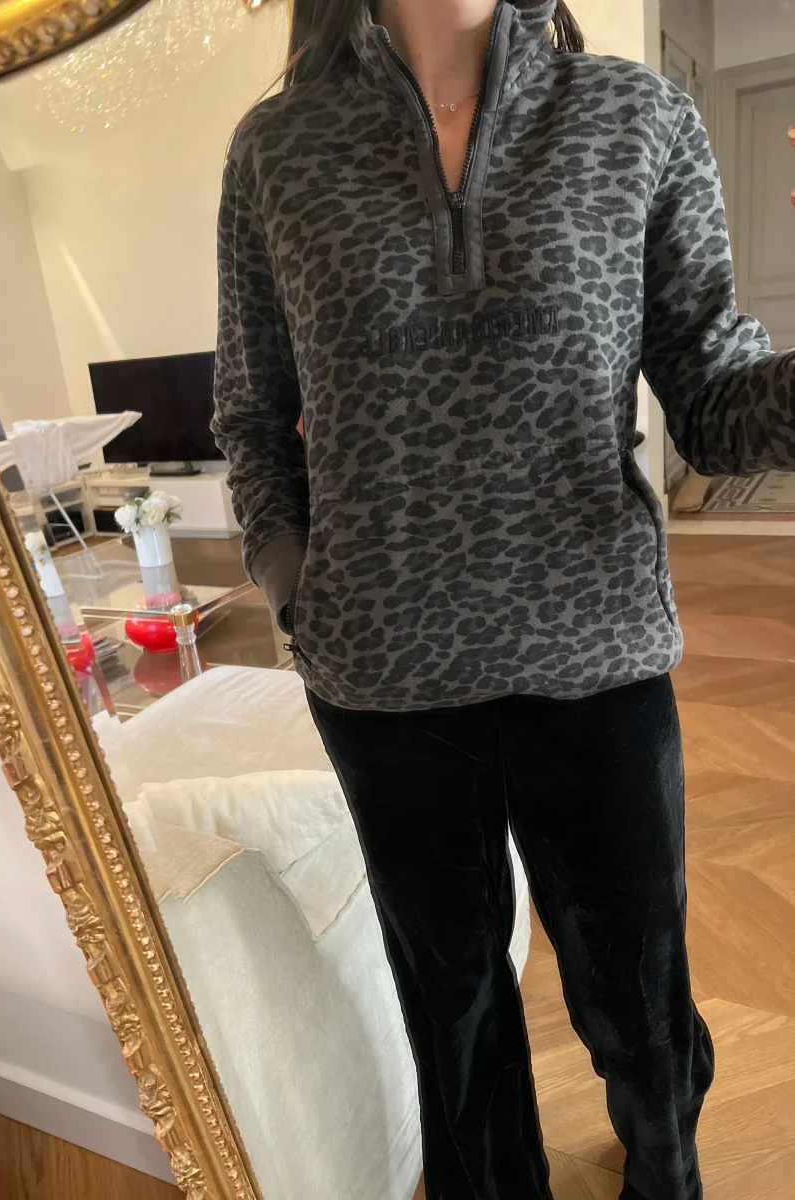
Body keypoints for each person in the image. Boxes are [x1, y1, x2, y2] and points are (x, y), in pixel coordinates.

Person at [212, 2, 795, 1197]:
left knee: (636, 994)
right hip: (381, 675)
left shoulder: (634, 117)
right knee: (455, 1008)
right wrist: (292, 577)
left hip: (595, 653)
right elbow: (252, 407)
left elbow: (712, 397)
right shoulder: (277, 151)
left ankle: (665, 1168)